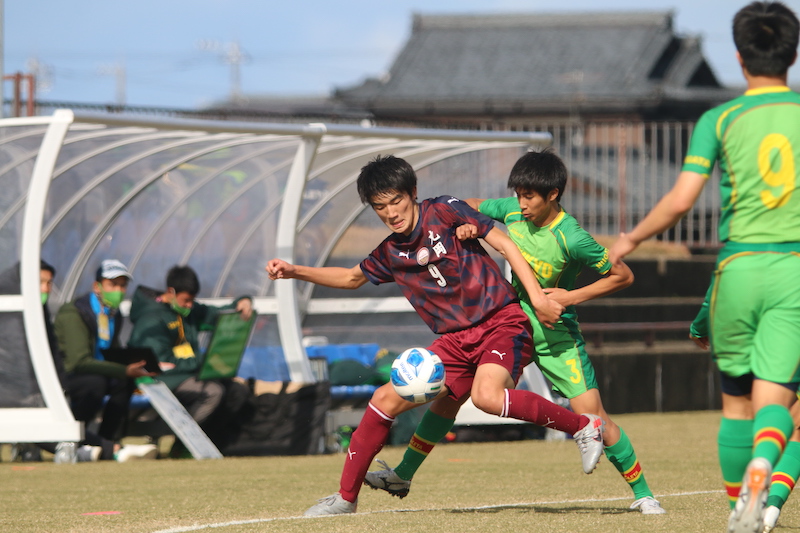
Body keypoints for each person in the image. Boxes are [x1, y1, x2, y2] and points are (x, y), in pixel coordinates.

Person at [266, 154, 606, 517]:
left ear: (413, 192)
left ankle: (584, 425)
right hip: (453, 342)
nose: (391, 212)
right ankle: (346, 498)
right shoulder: (390, 252)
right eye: (380, 207)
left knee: (487, 397)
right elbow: (351, 278)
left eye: (396, 200)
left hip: (501, 322)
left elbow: (505, 244)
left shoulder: (444, 210)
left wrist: (536, 297)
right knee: (384, 399)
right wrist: (294, 271)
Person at [364, 149, 665, 514]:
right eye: (518, 195)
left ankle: (644, 494)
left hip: (554, 334)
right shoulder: (509, 209)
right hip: (501, 323)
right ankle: (403, 474)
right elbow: (466, 205)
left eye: (529, 197)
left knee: (594, 416)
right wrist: (468, 225)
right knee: (448, 397)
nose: (520, 205)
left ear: (553, 195)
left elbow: (623, 275)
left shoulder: (572, 237)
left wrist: (571, 295)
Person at [608, 3, 800, 531]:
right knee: (777, 401)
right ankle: (767, 464)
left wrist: (631, 238)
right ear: (794, 53)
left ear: (739, 58)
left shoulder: (720, 119)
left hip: (736, 268)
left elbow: (679, 201)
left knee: (735, 402)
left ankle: (742, 502)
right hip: (793, 268)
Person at [690, 286, 800, 533]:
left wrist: (699, 327)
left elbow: (717, 288)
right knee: (795, 425)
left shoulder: (737, 249)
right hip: (790, 320)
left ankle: (745, 501)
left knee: (738, 411)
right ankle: (770, 502)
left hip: (742, 317)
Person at [127, 264, 254, 455]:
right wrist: (201, 363)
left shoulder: (189, 311)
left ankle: (206, 444)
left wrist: (243, 301)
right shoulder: (151, 319)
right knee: (213, 392)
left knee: (237, 391)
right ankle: (184, 444)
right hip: (160, 380)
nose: (189, 305)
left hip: (188, 375)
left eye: (192, 301)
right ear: (171, 291)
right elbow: (162, 363)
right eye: (186, 300)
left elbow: (219, 313)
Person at [54, 259, 159, 462]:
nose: (119, 290)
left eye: (122, 285)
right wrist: (123, 370)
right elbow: (78, 362)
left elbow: (112, 351)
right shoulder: (75, 313)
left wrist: (139, 365)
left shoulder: (113, 313)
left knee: (124, 383)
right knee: (97, 383)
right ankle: (75, 437)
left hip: (97, 374)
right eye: (113, 284)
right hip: (69, 377)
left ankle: (106, 440)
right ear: (97, 287)